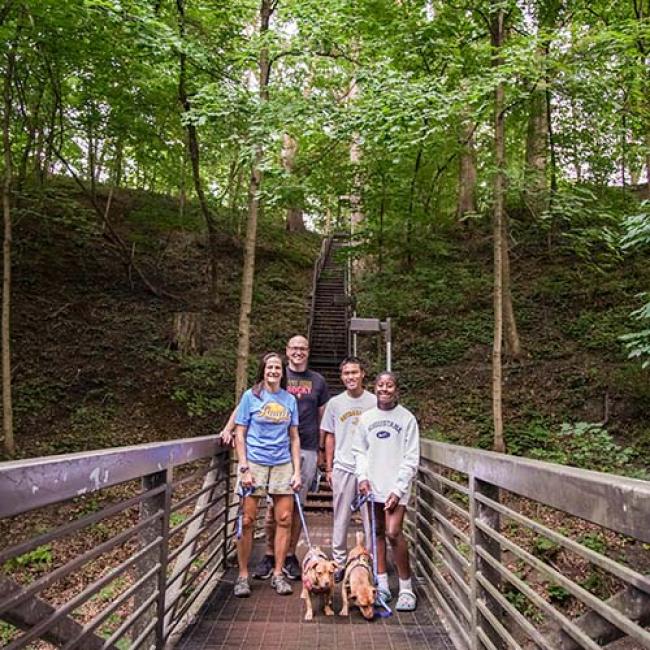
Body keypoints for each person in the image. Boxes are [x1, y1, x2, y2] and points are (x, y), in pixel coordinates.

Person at [221, 334, 329, 581]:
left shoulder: (317, 381)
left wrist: (323, 451)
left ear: (308, 351)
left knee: (292, 508)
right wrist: (229, 428)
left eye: (303, 348)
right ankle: (269, 555)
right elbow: (244, 410)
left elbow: (324, 416)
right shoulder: (268, 382)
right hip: (265, 453)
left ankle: (289, 557)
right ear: (286, 351)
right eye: (294, 348)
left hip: (303, 447)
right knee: (267, 512)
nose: (298, 352)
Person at [231, 352, 302, 598]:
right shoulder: (251, 397)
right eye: (269, 367)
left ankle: (279, 573)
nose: (273, 371)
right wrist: (244, 467)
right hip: (255, 463)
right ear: (263, 370)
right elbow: (240, 433)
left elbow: (294, 437)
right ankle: (242, 575)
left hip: (282, 463)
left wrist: (297, 472)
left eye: (277, 368)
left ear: (283, 372)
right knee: (248, 520)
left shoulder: (289, 400)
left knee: (284, 518)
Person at [355, 371, 420, 612]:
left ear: (396, 389)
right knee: (378, 532)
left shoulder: (407, 419)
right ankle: (381, 583)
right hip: (373, 485)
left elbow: (411, 456)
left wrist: (398, 488)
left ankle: (405, 588)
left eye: (389, 385)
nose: (384, 389)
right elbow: (359, 450)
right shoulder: (366, 418)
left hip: (396, 485)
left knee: (394, 532)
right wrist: (362, 477)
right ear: (375, 388)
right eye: (380, 385)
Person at [320, 356, 375, 581]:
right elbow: (330, 436)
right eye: (346, 373)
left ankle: (369, 560)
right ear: (342, 377)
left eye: (354, 372)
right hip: (343, 466)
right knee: (340, 517)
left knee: (370, 519)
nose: (350, 377)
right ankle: (339, 563)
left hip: (369, 469)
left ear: (362, 374)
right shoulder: (335, 403)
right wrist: (330, 468)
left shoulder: (374, 401)